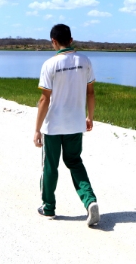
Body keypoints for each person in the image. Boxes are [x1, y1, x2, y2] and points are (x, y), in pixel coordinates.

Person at [33, 24, 100, 227]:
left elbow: (45, 99)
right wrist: (90, 117)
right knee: (75, 162)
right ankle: (90, 201)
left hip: (53, 125)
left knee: (50, 166)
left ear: (53, 41)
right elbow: (90, 93)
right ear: (71, 40)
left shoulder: (49, 64)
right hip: (76, 123)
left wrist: (37, 129)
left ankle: (48, 207)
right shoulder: (85, 61)